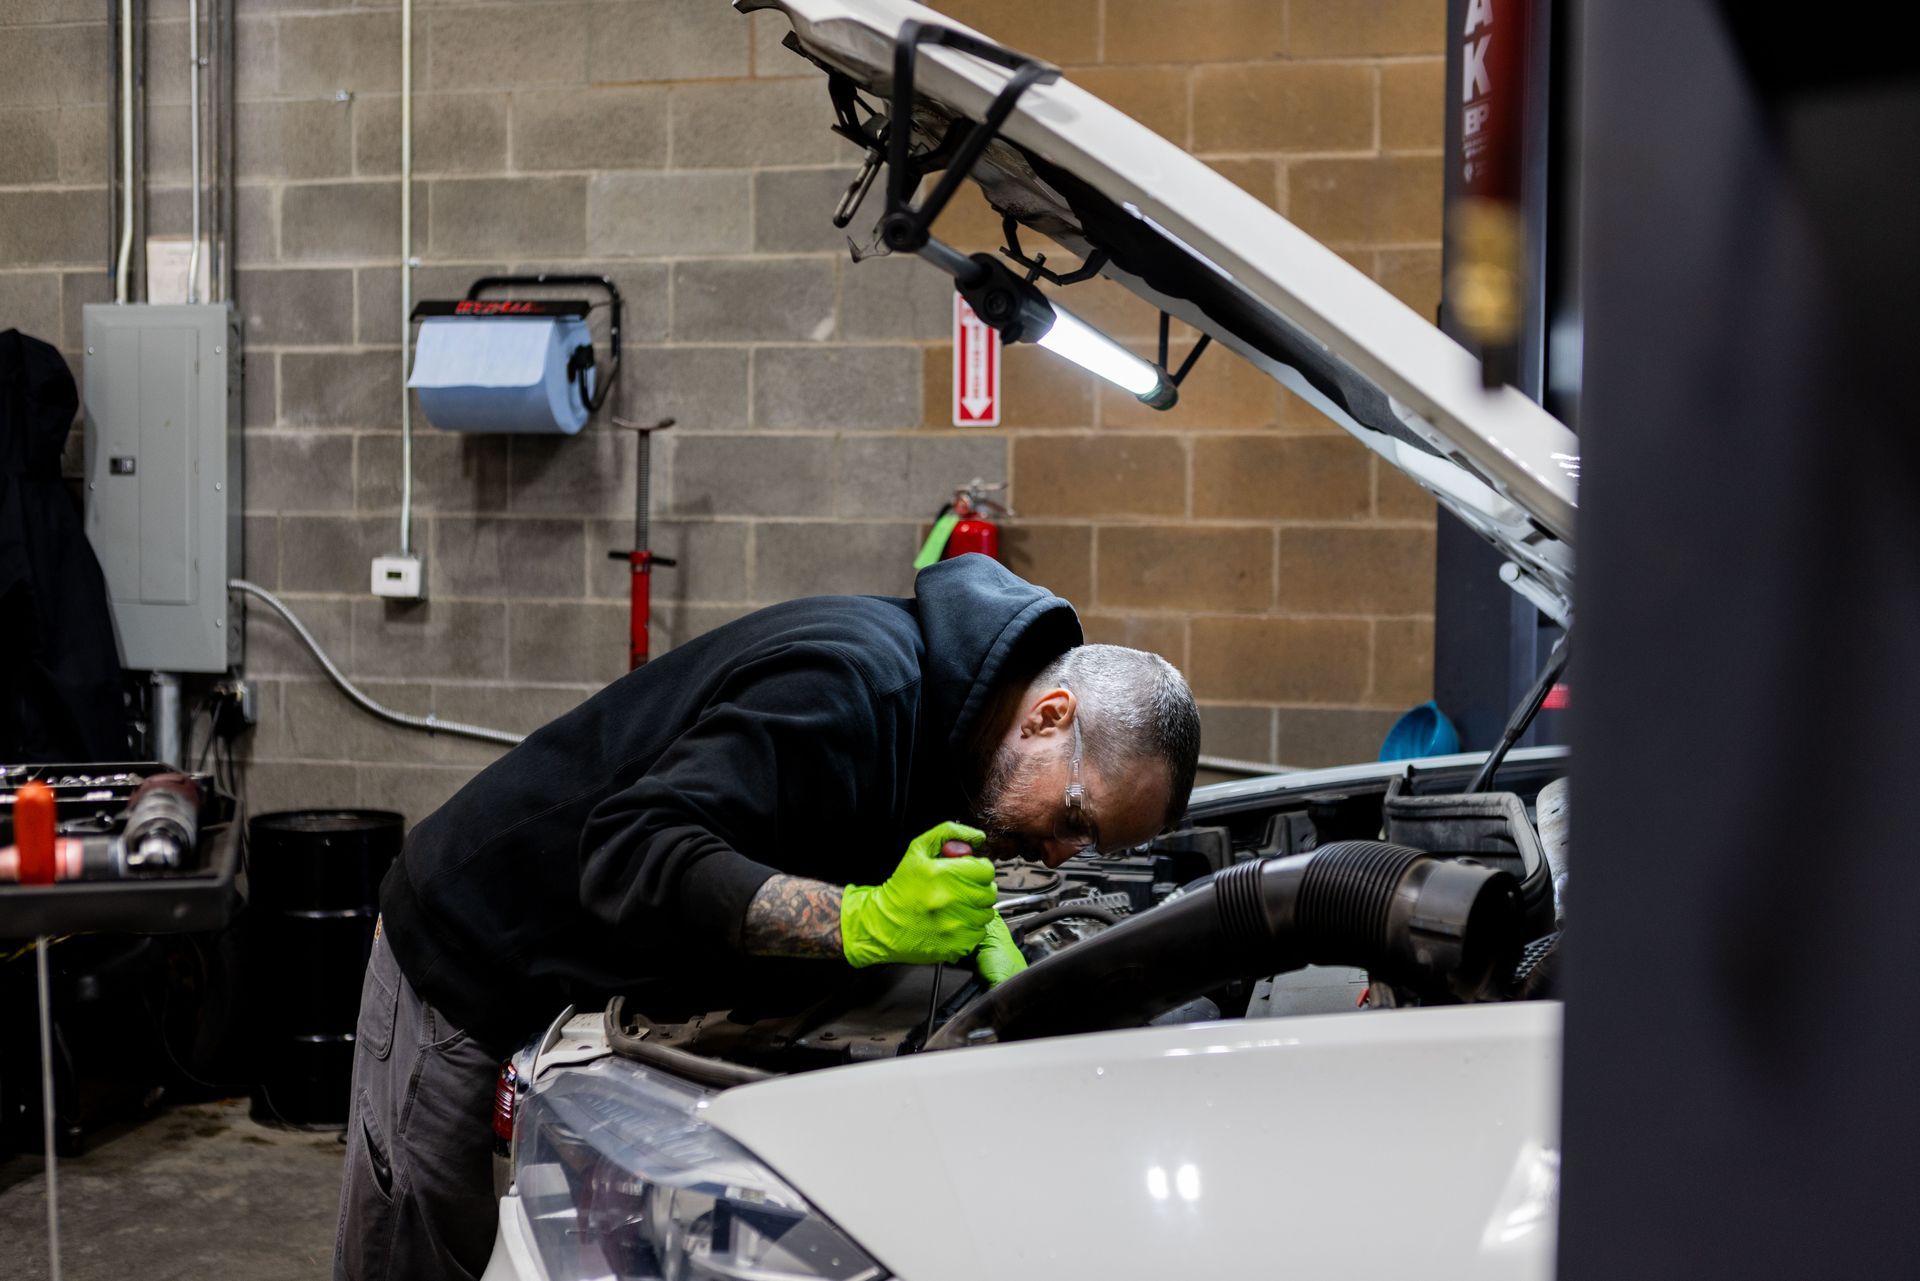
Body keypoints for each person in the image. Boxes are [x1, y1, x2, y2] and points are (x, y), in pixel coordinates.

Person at [333, 554, 1201, 1279]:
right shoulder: (847, 685)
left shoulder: (966, 734)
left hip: (568, 964)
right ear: (1051, 717)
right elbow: (636, 848)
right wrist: (860, 919)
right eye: (1076, 819)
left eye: (1088, 848)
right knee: (419, 1249)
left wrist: (990, 949)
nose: (1060, 855)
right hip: (462, 957)